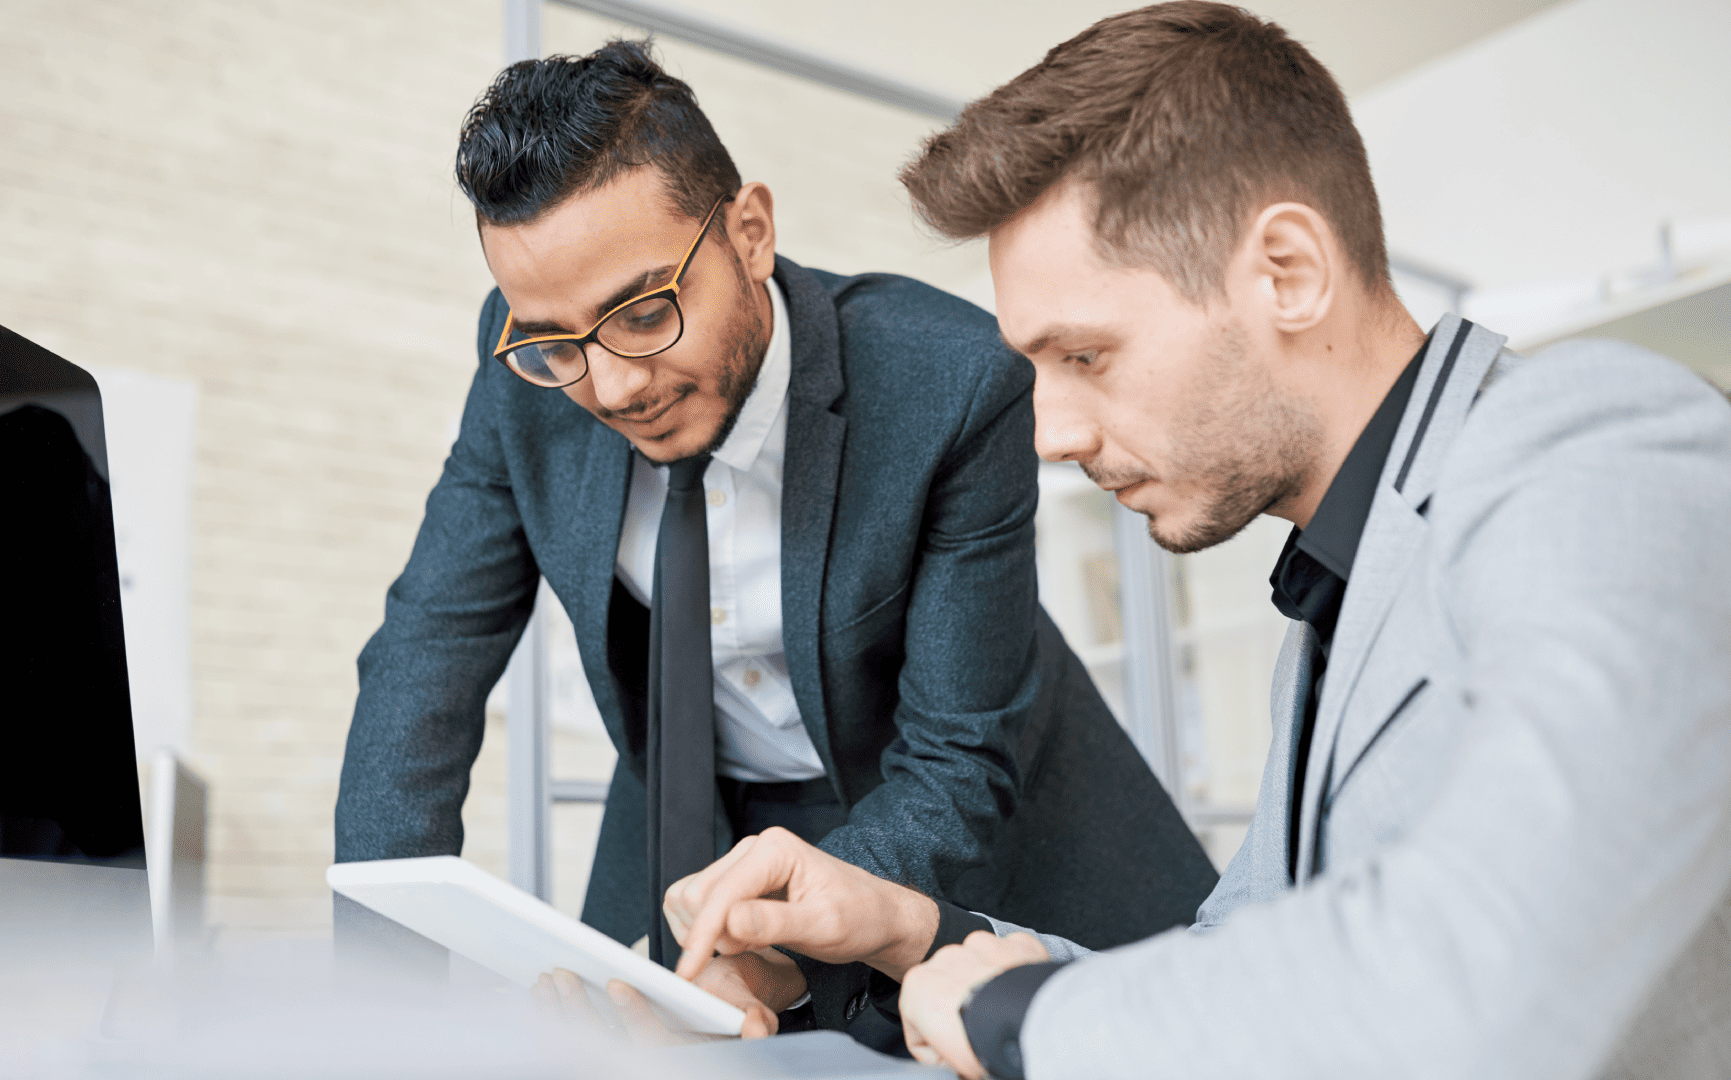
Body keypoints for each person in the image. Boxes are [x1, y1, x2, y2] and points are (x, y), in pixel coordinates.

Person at [663, 4, 1731, 1076]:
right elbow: (1237, 970)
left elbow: (1499, 960)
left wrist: (1021, 1023)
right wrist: (916, 933)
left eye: (1085, 356)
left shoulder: (1590, 442)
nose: (1051, 433)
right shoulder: (1334, 611)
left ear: (1290, 272)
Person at [333, 39, 1218, 1041]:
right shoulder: (522, 374)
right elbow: (424, 659)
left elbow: (959, 757)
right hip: (693, 817)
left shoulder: (952, 383)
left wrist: (788, 960)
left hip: (973, 821)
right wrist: (377, 1000)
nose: (613, 384)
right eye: (556, 340)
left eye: (645, 311)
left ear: (749, 231)